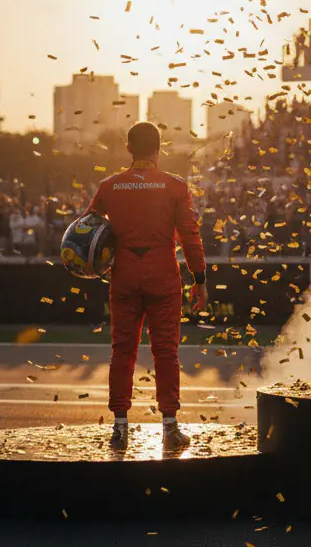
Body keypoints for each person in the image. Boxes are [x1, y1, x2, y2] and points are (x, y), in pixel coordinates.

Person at [87, 122, 208, 450]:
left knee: (122, 351)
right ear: (159, 149)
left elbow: (86, 231)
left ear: (128, 148)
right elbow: (190, 237)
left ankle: (120, 427)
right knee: (166, 351)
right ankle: (169, 426)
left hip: (124, 276)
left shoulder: (109, 186)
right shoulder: (175, 187)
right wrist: (200, 280)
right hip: (163, 276)